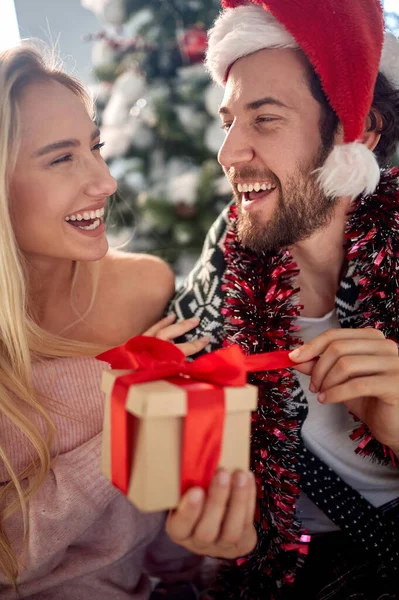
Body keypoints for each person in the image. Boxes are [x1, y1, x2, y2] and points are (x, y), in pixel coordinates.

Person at [0, 44, 257, 599]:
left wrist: (210, 546)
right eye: (61, 158)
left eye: (94, 147)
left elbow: (160, 521)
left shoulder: (147, 289)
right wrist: (122, 426)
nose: (105, 182)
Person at [170, 0, 399, 598]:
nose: (228, 154)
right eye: (228, 121)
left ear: (360, 130)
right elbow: (181, 395)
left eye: (265, 119)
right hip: (286, 570)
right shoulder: (229, 251)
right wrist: (212, 526)